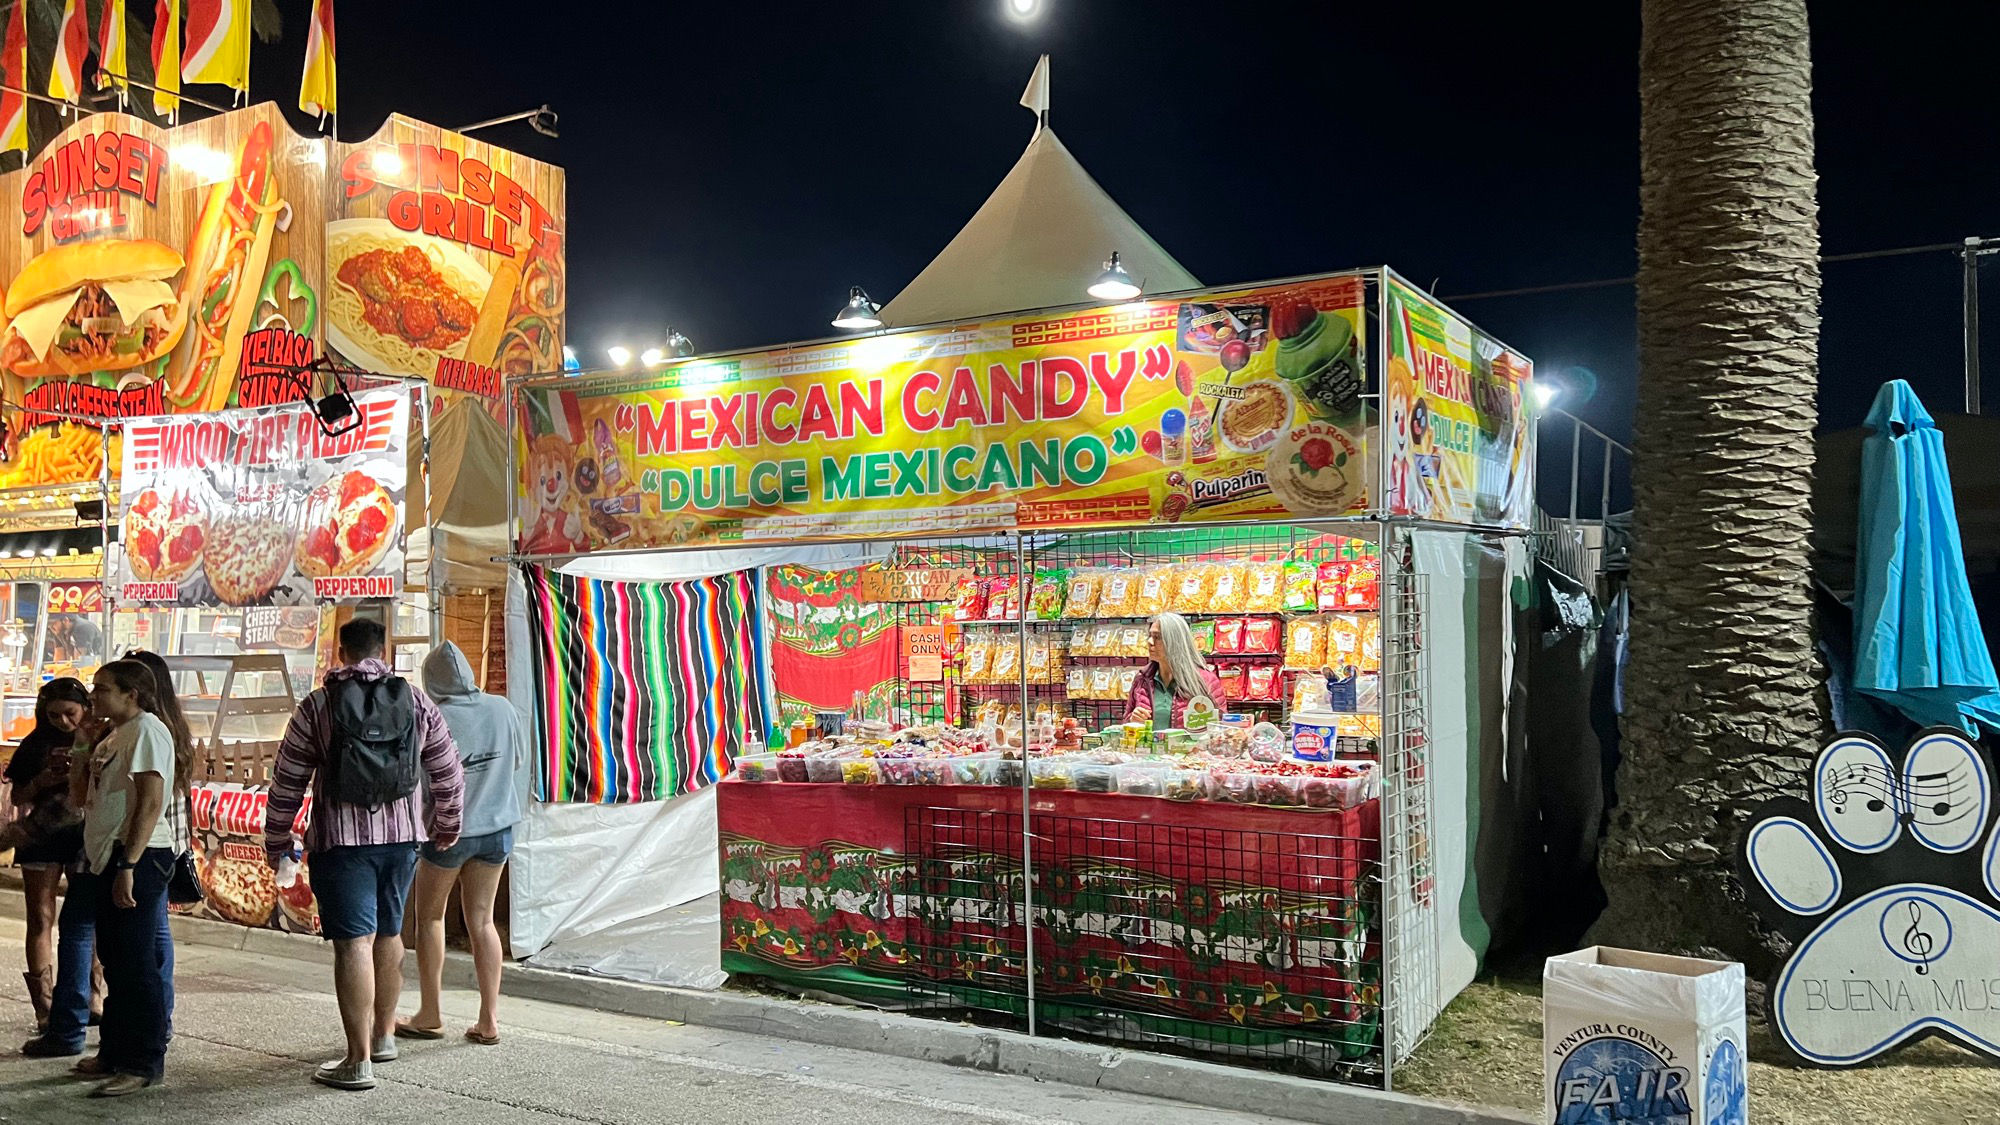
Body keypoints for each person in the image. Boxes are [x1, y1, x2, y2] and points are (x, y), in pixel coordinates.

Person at [264, 619, 463, 1091]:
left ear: (341, 651)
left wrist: (278, 843)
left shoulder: (317, 705)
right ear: (385, 649)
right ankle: (383, 1037)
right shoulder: (416, 700)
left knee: (353, 942)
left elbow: (286, 782)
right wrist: (445, 825)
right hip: (401, 843)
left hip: (342, 842)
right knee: (389, 935)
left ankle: (357, 1062)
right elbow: (448, 771)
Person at [397, 642, 527, 1047]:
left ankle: (430, 1013)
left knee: (431, 919)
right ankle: (489, 1020)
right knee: (483, 921)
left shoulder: (433, 717)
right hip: (498, 829)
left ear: (432, 680)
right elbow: (518, 761)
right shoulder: (503, 709)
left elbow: (419, 779)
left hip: (447, 833)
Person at [71, 659, 190, 1097]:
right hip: (107, 856)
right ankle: (114, 1051)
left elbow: (151, 801)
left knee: (137, 964)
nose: (94, 696)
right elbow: (79, 794)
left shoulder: (148, 731)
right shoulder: (114, 734)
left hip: (138, 857)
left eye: (103, 689)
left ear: (131, 695)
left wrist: (128, 865)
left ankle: (142, 1061)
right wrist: (83, 745)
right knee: (117, 960)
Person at [5, 679, 91, 1035]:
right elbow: (17, 796)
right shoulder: (34, 743)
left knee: (86, 920)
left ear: (84, 707)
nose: (63, 722)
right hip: (40, 835)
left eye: (70, 713)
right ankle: (45, 1007)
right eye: (53, 715)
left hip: (84, 836)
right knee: (41, 917)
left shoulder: (100, 739)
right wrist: (39, 782)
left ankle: (91, 998)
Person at [1123, 613, 1226, 729]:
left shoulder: (1205, 681)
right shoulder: (1142, 679)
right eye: (1150, 635)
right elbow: (1126, 723)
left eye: (1157, 637)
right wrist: (1132, 720)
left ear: (1175, 641)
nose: (1150, 641)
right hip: (1149, 747)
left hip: (1189, 747)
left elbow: (1220, 727)